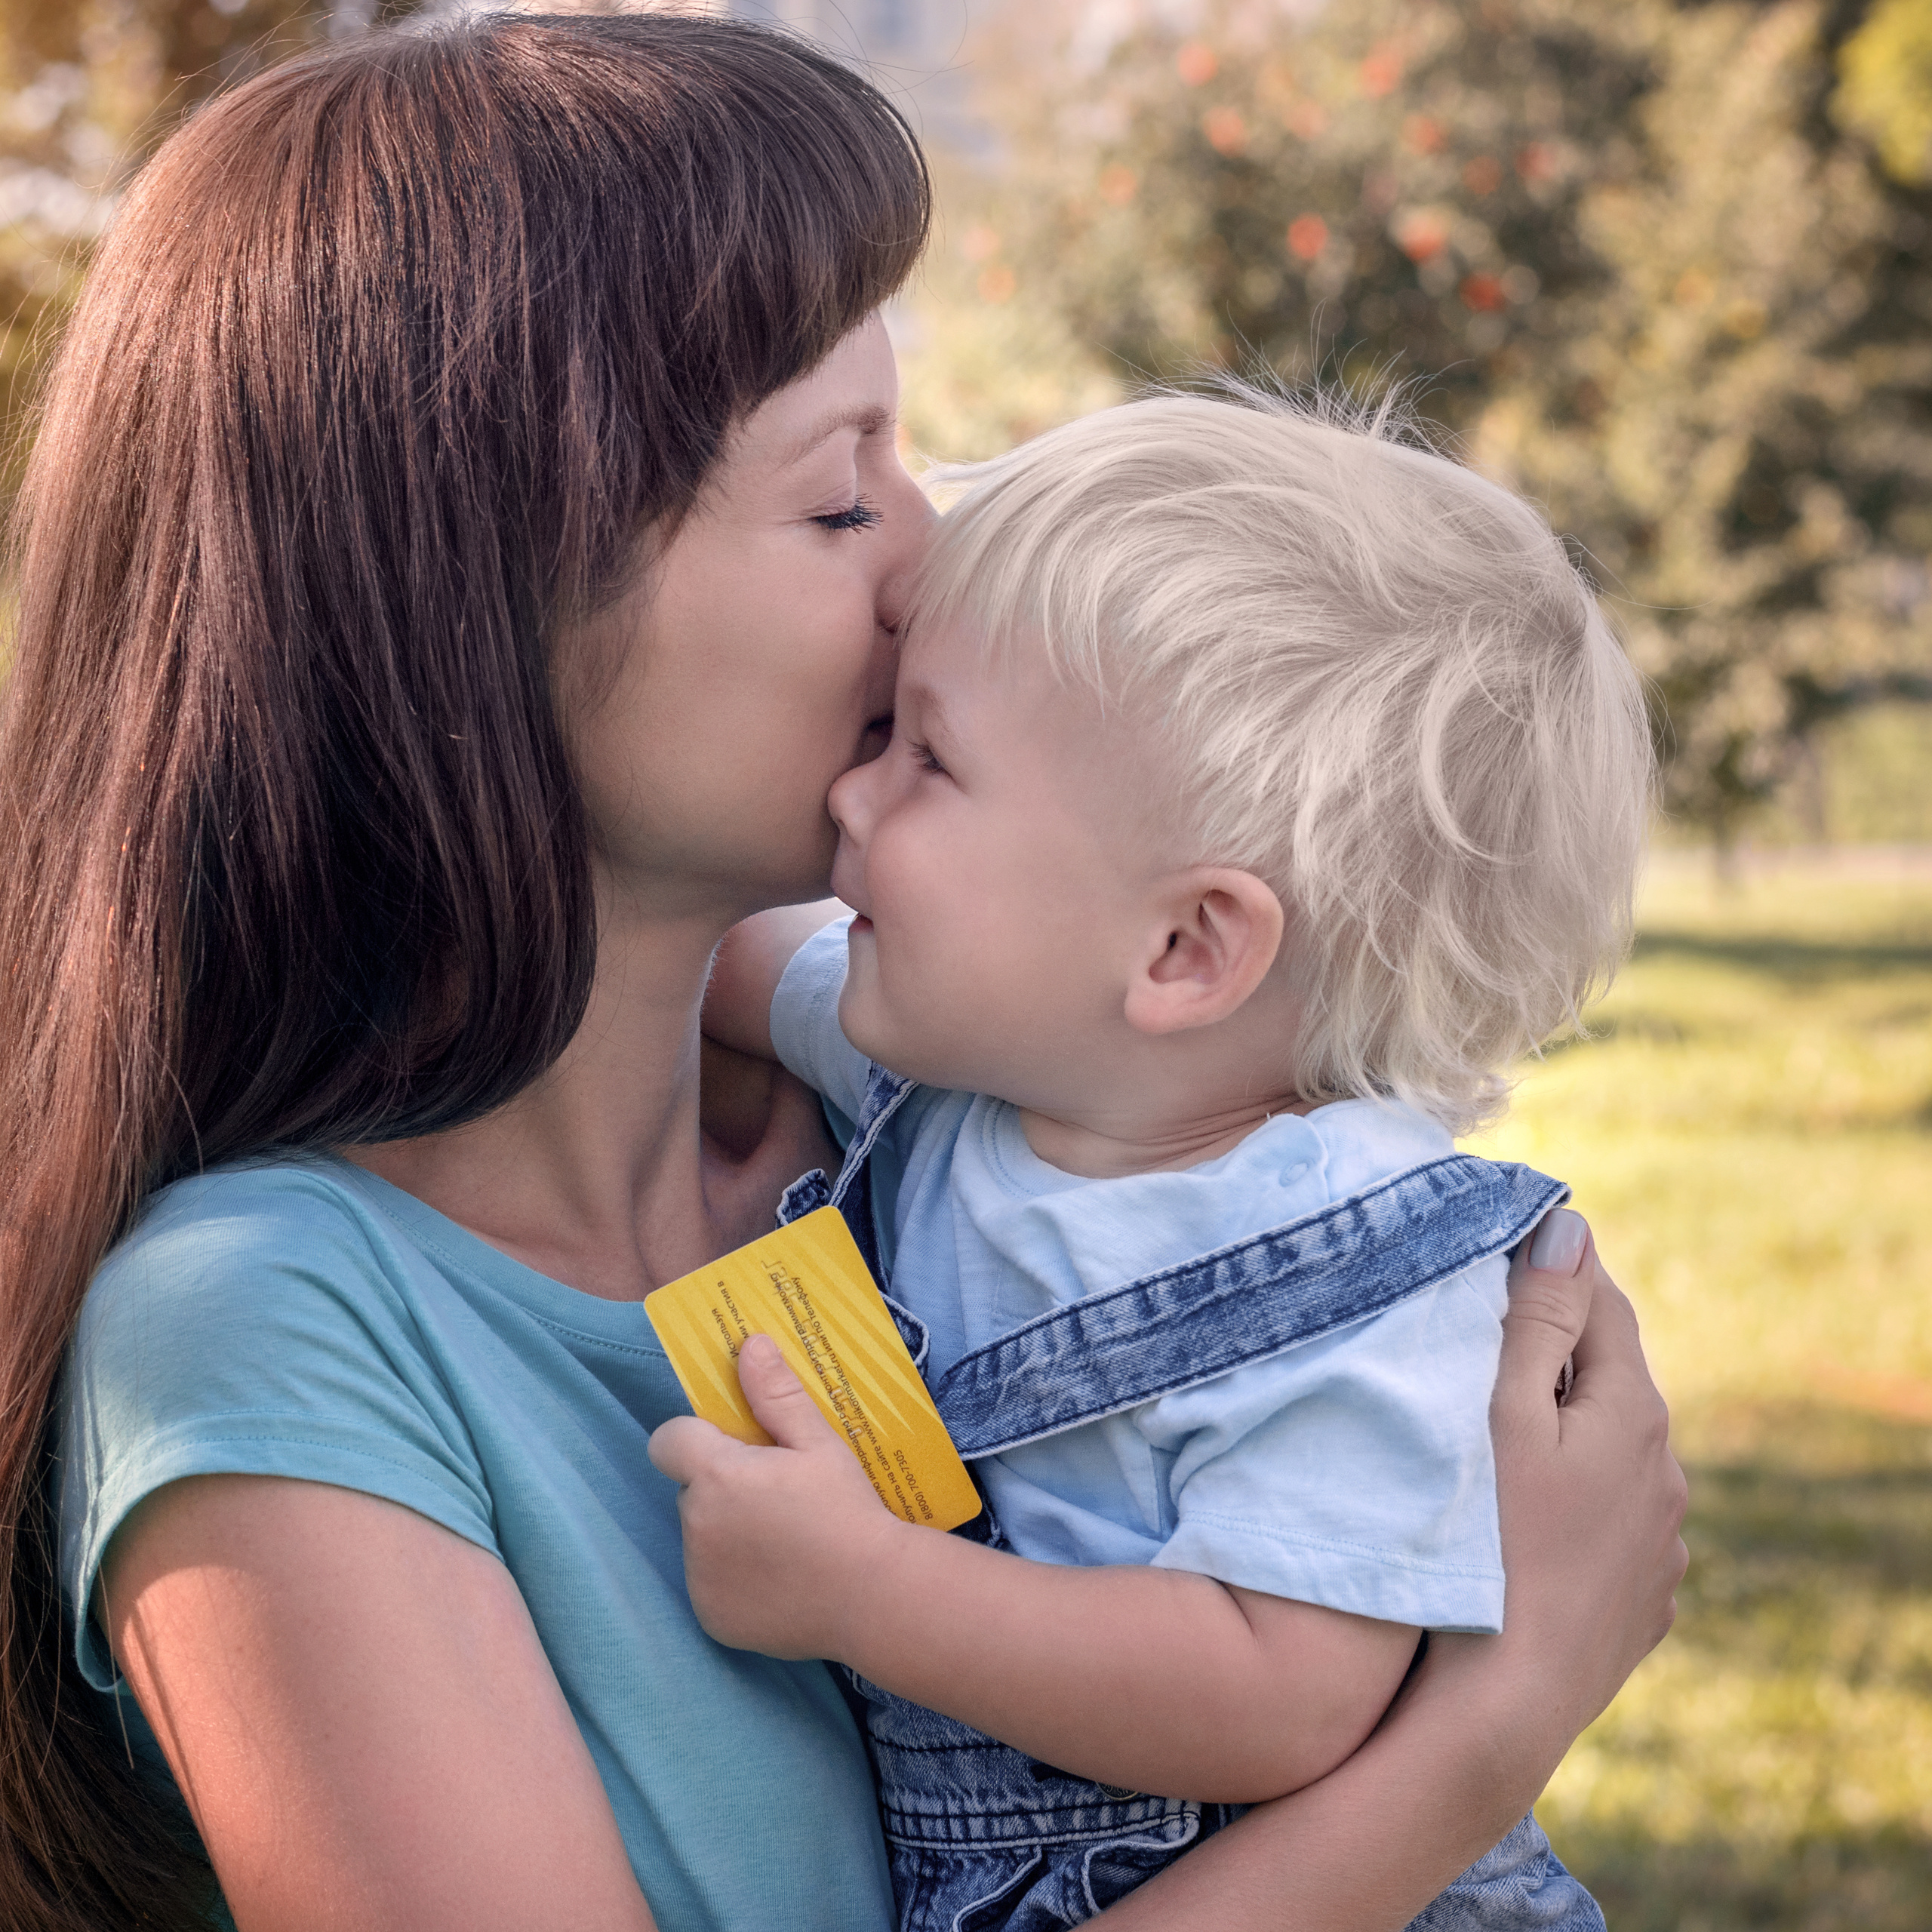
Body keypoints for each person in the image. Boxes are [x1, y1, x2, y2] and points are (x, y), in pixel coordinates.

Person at [0, 13, 1685, 1932]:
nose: (927, 560)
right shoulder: (264, 1333)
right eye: (836, 494)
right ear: (467, 611)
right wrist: (1483, 1737)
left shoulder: (935, 1104)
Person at [656, 391, 1654, 1930]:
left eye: (929, 759)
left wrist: (868, 1591)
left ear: (1184, 947)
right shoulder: (960, 1053)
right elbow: (695, 956)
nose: (851, 791)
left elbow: (1280, 1690)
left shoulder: (1357, 1284)